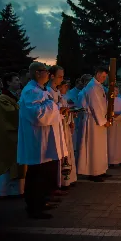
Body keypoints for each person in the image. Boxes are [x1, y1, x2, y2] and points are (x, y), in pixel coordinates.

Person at [17, 62, 63, 219]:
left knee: (43, 173)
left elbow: (48, 110)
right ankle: (33, 207)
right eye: (46, 71)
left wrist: (56, 109)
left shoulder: (39, 90)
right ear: (37, 73)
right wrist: (54, 106)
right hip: (37, 140)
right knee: (36, 174)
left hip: (44, 139)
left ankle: (41, 201)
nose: (49, 74)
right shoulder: (30, 91)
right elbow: (37, 115)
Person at [77, 66, 110, 182]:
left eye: (105, 77)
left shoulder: (98, 86)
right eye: (103, 76)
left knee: (101, 147)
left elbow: (102, 103)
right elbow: (95, 105)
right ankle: (94, 172)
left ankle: (101, 169)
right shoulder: (91, 87)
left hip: (99, 120)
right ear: (97, 73)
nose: (104, 79)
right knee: (94, 146)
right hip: (94, 121)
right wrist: (103, 121)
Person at [0, 72, 26, 197]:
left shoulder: (13, 97)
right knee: (9, 163)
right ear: (8, 83)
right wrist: (20, 103)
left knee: (18, 163)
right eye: (15, 80)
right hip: (8, 136)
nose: (18, 82)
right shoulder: (2, 99)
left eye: (18, 79)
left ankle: (18, 190)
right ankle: (5, 191)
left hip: (16, 135)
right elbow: (11, 115)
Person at [47, 65, 69, 194]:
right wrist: (59, 109)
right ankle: (51, 189)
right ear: (52, 76)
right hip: (50, 129)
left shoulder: (56, 91)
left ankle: (56, 185)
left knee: (57, 158)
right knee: (50, 159)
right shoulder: (48, 91)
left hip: (59, 125)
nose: (62, 79)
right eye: (60, 76)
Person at [58, 81, 77, 187]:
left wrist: (71, 120)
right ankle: (63, 180)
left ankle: (69, 178)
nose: (66, 88)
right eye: (65, 86)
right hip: (61, 128)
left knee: (68, 151)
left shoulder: (64, 98)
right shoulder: (58, 98)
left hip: (66, 127)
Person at [108, 85, 121, 167]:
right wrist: (112, 115)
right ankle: (111, 161)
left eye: (116, 90)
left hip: (119, 123)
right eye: (114, 90)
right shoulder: (108, 100)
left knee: (120, 142)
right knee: (111, 142)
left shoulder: (120, 100)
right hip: (111, 124)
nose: (115, 91)